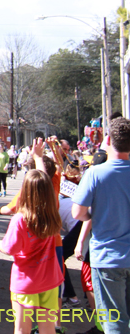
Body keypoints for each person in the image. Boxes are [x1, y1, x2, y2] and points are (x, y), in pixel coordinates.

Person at [72, 117, 130, 334]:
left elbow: (78, 213)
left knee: (114, 321)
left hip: (108, 257)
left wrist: (95, 212)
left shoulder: (95, 174)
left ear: (108, 139)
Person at [0, 169, 64, 334]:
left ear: (25, 191)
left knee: (22, 329)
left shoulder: (20, 219)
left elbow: (10, 248)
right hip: (50, 278)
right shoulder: (52, 215)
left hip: (26, 281)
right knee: (48, 327)